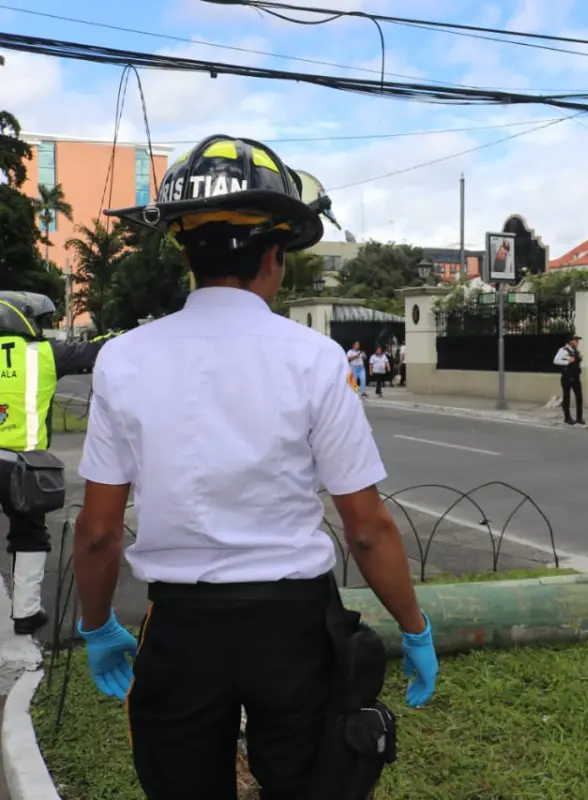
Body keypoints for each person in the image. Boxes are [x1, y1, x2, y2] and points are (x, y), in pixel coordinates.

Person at [76, 134, 438, 800]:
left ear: (186, 252)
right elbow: (367, 527)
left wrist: (98, 625)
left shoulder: (123, 360)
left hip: (181, 628)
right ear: (275, 256)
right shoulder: (316, 359)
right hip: (292, 628)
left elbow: (98, 531)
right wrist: (414, 626)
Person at [0, 291, 115, 635]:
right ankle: (25, 613)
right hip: (22, 465)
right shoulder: (44, 354)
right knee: (30, 534)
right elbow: (98, 348)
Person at [553, 333, 584, 425]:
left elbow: (576, 362)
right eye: (576, 340)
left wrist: (580, 359)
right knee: (567, 398)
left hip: (576, 377)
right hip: (567, 377)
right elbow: (555, 360)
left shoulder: (576, 351)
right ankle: (567, 418)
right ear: (570, 341)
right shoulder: (563, 350)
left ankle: (579, 417)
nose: (577, 342)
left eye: (578, 340)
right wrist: (567, 362)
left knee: (579, 397)